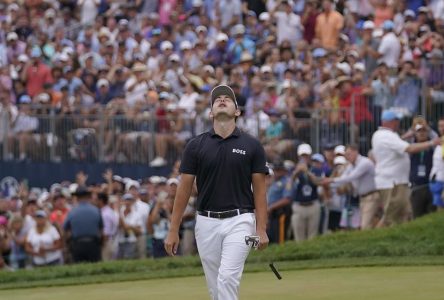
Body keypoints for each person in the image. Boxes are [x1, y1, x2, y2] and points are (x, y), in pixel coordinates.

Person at [164, 85, 269, 300]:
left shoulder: (252, 145)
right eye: (217, 99)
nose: (222, 100)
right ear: (211, 112)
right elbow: (183, 190)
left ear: (237, 112)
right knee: (215, 288)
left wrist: (262, 228)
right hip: (205, 223)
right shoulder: (195, 146)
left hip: (242, 221)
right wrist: (173, 229)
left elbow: (260, 192)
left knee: (227, 278)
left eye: (227, 99)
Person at [371, 110, 441, 227]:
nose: (398, 123)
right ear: (391, 122)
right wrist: (432, 142)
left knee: (402, 215)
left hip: (397, 183)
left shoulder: (383, 135)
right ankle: (375, 239)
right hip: (393, 183)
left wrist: (408, 135)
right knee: (391, 216)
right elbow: (410, 149)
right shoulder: (387, 136)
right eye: (397, 121)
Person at [323, 144, 381, 229]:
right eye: (346, 155)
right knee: (365, 224)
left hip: (371, 196)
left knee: (365, 225)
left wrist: (330, 180)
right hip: (362, 198)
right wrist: (328, 184)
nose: (347, 157)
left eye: (349, 154)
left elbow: (350, 177)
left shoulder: (364, 163)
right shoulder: (351, 165)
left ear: (356, 152)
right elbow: (343, 178)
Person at [63, 186, 103, 263]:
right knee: (95, 269)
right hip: (93, 244)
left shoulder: (72, 212)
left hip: (78, 245)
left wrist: (66, 245)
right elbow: (101, 231)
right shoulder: (96, 210)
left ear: (77, 198)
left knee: (79, 270)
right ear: (88, 197)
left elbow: (65, 229)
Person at [429, 118, 444, 212]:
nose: (442, 128)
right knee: (439, 210)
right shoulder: (438, 141)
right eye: (440, 126)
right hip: (436, 180)